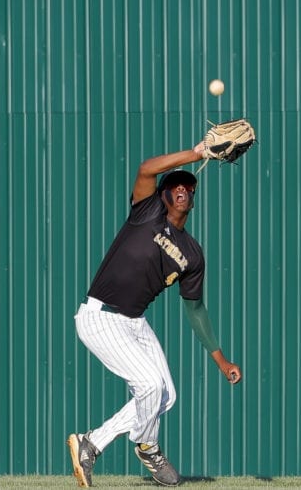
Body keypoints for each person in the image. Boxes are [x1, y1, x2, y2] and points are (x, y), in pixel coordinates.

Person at [67, 140, 242, 487]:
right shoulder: (147, 212)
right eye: (174, 184)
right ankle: (148, 446)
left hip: (135, 322)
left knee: (166, 394)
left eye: (188, 185)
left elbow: (195, 308)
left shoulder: (193, 253)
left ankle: (92, 444)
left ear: (193, 197)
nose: (181, 188)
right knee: (149, 385)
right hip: (100, 316)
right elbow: (147, 168)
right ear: (162, 193)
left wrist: (221, 360)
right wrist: (200, 153)